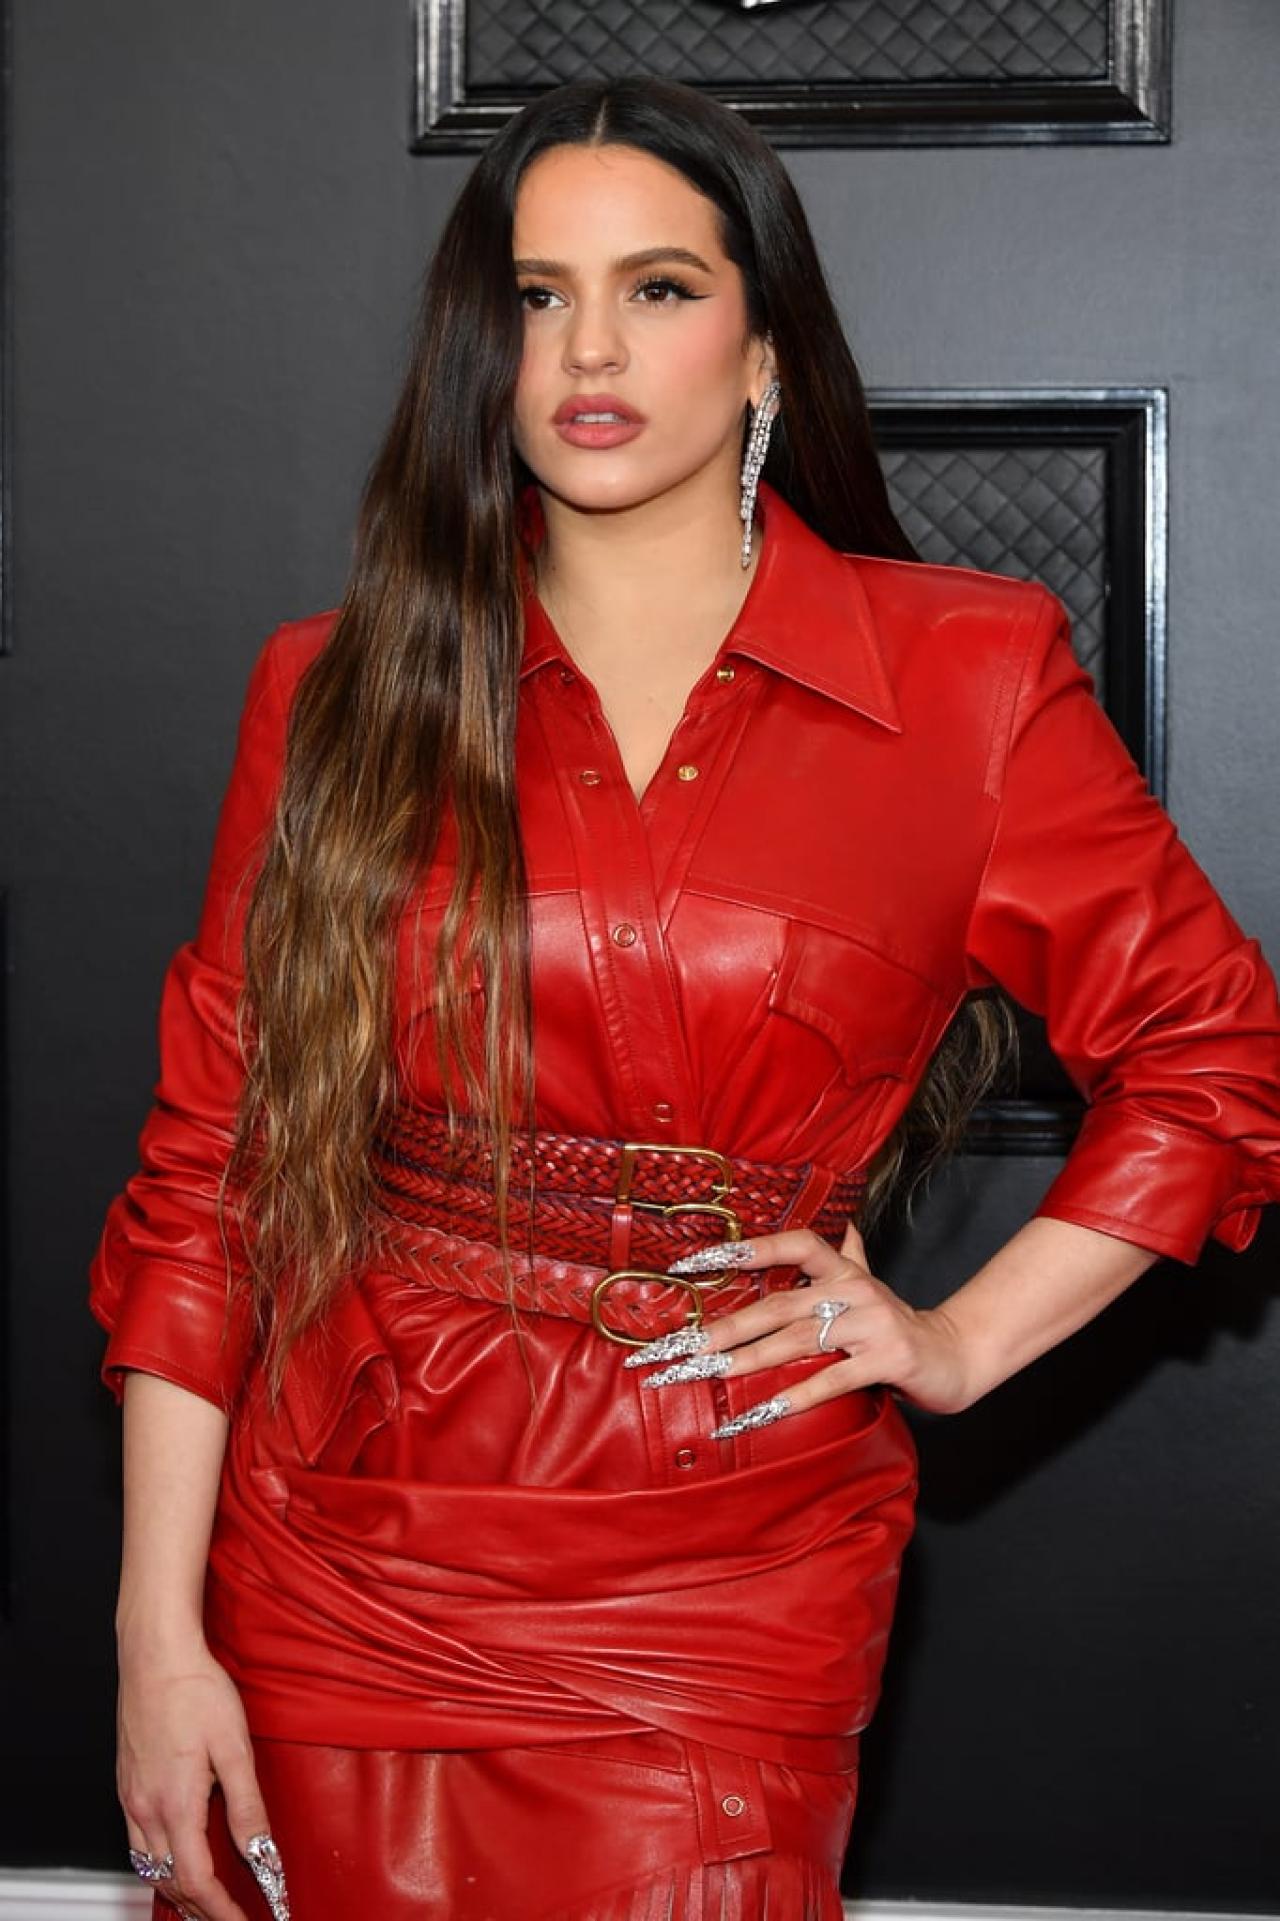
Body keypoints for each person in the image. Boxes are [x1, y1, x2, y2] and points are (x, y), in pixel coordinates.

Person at [89, 73, 1280, 1921]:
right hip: (338, 1538)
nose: (590, 347)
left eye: (657, 288)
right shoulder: (331, 694)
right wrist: (155, 1641)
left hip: (731, 1552)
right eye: (536, 294)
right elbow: (210, 1180)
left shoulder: (968, 676)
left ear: (766, 345)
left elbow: (1212, 1055)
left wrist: (958, 1342)